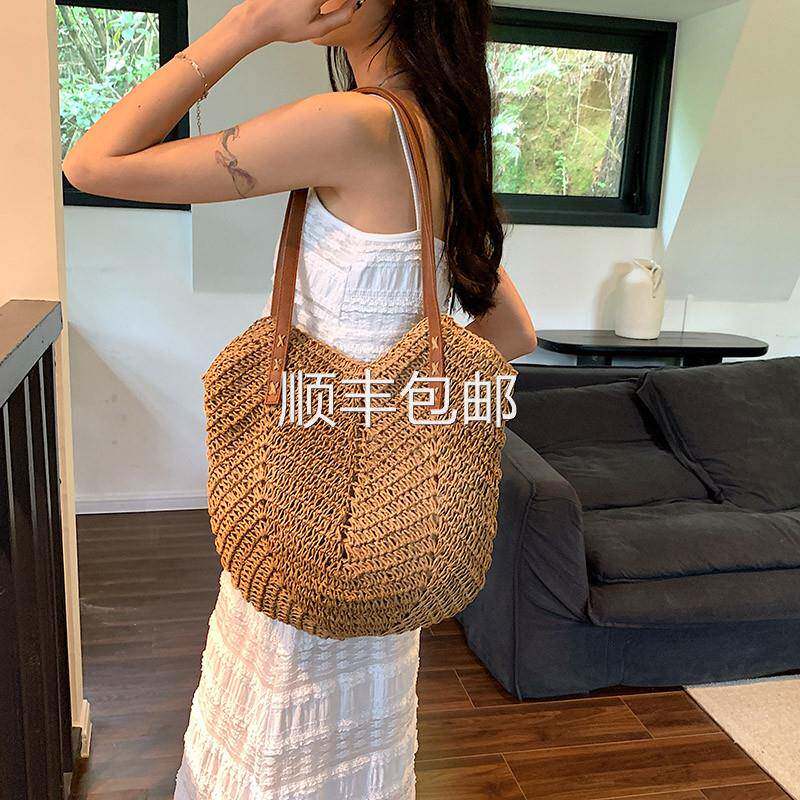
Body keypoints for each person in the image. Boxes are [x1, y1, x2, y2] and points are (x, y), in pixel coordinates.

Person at [64, 0, 537, 796]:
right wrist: (391, 424)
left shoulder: (354, 124)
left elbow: (91, 164)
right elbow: (513, 330)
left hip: (304, 512)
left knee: (275, 744)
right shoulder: (440, 137)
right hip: (387, 534)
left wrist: (248, 25)